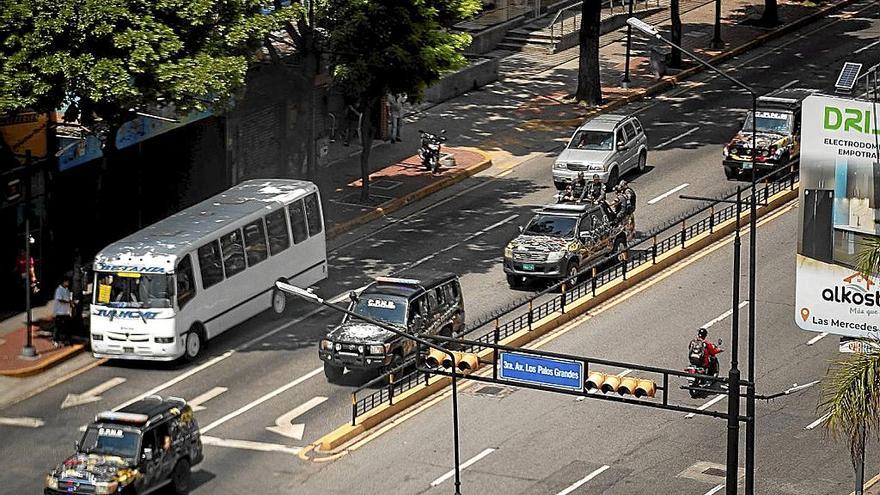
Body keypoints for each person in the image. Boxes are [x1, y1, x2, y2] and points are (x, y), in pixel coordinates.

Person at [53, 276, 73, 346]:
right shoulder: (59, 290)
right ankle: (55, 340)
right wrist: (68, 302)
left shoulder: (67, 290)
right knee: (58, 327)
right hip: (59, 312)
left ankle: (66, 340)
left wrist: (71, 304)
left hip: (66, 312)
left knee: (66, 327)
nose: (68, 283)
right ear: (63, 282)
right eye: (67, 282)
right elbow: (60, 299)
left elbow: (69, 299)